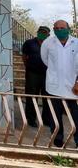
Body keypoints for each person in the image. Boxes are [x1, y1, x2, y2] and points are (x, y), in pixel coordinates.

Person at [40, 20, 78, 148]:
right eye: (56, 28)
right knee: (55, 117)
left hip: (74, 88)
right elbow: (45, 59)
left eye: (62, 28)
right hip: (54, 87)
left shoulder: (76, 43)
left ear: (68, 28)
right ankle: (58, 140)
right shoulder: (48, 43)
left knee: (76, 116)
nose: (59, 30)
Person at [22, 26, 51, 127]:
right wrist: (29, 67)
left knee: (47, 97)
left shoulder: (50, 44)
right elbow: (24, 56)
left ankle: (46, 120)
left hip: (47, 74)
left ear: (48, 34)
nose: (43, 34)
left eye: (45, 32)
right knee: (31, 97)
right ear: (38, 32)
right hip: (32, 74)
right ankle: (31, 119)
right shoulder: (29, 43)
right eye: (41, 32)